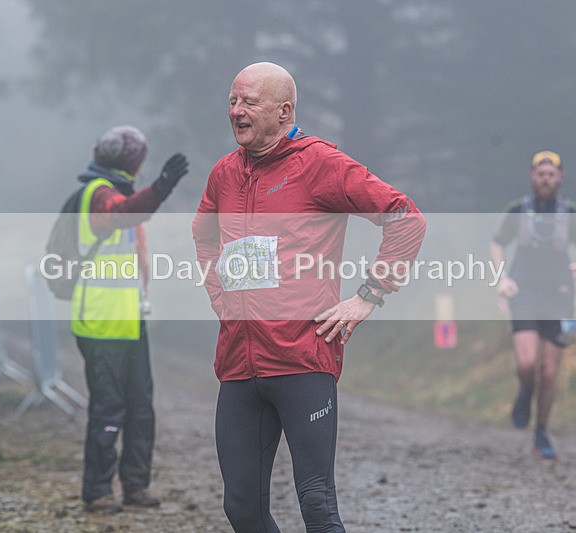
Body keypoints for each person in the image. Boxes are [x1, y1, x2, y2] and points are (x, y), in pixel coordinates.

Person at [192, 62, 426, 532]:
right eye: (232, 101)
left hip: (302, 360)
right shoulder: (224, 173)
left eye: (249, 102)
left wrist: (368, 295)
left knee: (316, 504)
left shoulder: (320, 164)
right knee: (242, 509)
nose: (236, 111)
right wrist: (221, 297)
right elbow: (204, 235)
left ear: (284, 111)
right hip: (239, 363)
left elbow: (406, 218)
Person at [72, 125, 188, 512]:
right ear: (133, 163)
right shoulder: (97, 195)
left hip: (128, 319)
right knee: (109, 407)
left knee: (141, 407)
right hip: (101, 323)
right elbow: (120, 215)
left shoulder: (118, 191)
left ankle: (135, 486)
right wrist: (161, 188)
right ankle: (98, 491)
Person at [490, 150, 576, 459]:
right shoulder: (518, 210)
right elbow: (497, 242)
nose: (546, 178)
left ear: (561, 177)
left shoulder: (571, 212)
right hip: (523, 293)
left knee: (550, 372)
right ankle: (526, 391)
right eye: (541, 173)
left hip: (560, 296)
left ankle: (541, 431)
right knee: (527, 364)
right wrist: (501, 278)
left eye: (551, 173)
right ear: (532, 175)